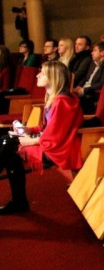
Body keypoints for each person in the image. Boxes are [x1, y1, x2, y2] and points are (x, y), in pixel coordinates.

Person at [0, 61, 83, 214]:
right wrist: (29, 129)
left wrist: (30, 140)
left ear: (53, 77)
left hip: (59, 148)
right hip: (51, 141)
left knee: (7, 144)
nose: (37, 75)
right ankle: (19, 202)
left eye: (42, 73)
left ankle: (19, 202)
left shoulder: (62, 101)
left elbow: (56, 136)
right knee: (5, 143)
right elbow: (48, 128)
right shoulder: (55, 98)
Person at [74, 41, 104, 113]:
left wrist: (84, 90)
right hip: (85, 92)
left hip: (93, 95)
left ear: (102, 53)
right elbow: (86, 78)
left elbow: (103, 83)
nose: (92, 53)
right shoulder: (94, 63)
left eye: (94, 50)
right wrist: (79, 87)